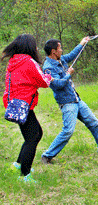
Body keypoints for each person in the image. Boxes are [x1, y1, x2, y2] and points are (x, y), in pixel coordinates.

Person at [41, 37, 98, 165]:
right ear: (53, 51)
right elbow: (57, 85)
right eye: (60, 48)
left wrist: (82, 43)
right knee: (68, 131)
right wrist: (68, 74)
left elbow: (72, 55)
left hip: (76, 99)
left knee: (94, 123)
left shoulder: (61, 59)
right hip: (67, 103)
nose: (62, 50)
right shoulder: (48, 68)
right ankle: (47, 155)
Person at [2, 34, 52, 183]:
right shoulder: (29, 61)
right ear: (30, 46)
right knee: (33, 136)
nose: (37, 47)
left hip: (14, 103)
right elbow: (42, 81)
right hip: (23, 104)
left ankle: (18, 164)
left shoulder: (14, 61)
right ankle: (25, 175)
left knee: (35, 134)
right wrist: (49, 77)